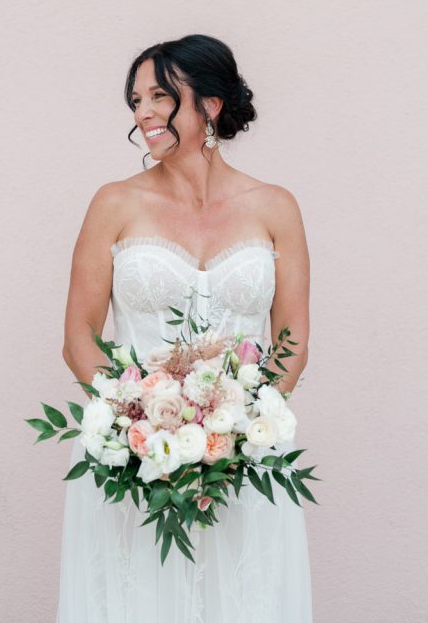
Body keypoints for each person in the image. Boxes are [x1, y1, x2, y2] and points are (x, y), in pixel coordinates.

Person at [56, 33, 313, 622]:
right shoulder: (114, 204)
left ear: (211, 106)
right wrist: (136, 425)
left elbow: (292, 342)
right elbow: (79, 338)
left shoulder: (276, 207)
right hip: (135, 464)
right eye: (135, 99)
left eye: (159, 96)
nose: (142, 112)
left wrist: (240, 436)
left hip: (246, 461)